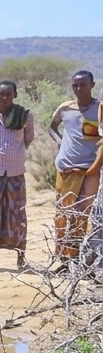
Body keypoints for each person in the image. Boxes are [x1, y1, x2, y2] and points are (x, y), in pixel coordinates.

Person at [0, 80, 35, 271]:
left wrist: (14, 155)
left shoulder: (24, 116)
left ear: (15, 95)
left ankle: (21, 259)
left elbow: (28, 139)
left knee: (17, 214)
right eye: (1, 94)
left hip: (15, 173)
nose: (4, 97)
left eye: (8, 94)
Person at [48, 70, 100, 267]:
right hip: (65, 167)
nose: (79, 89)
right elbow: (52, 127)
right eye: (75, 85)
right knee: (63, 214)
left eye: (83, 85)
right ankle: (63, 260)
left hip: (89, 169)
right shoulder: (66, 108)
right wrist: (59, 142)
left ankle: (77, 259)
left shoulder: (100, 108)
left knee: (82, 214)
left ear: (92, 85)